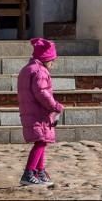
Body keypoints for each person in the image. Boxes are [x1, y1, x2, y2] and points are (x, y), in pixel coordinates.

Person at [16, 38, 64, 186]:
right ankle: (29, 172)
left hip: (30, 111)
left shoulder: (27, 69)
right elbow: (42, 93)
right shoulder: (40, 72)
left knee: (42, 141)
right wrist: (55, 106)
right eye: (51, 61)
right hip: (39, 113)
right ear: (45, 59)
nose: (52, 64)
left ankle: (39, 170)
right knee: (41, 143)